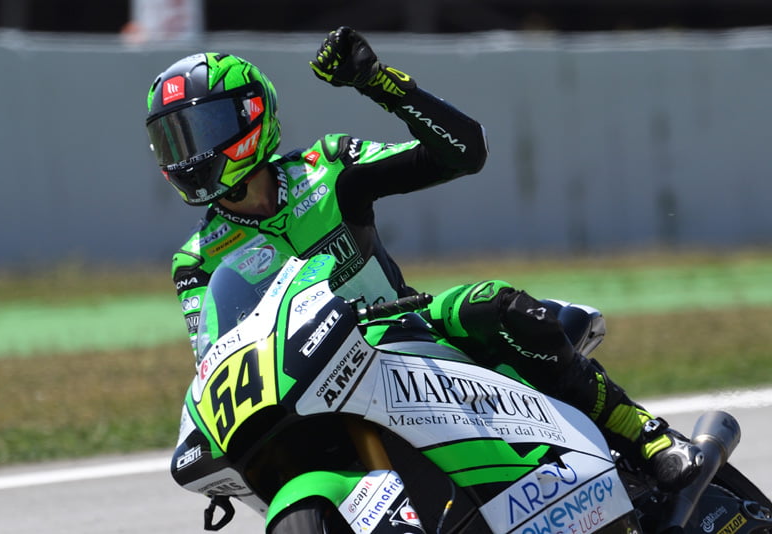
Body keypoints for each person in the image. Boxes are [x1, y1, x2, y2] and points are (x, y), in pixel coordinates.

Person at [145, 27, 701, 492]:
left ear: (251, 116)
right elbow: (214, 358)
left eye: (200, 132)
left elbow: (463, 153)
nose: (188, 156)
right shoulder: (196, 260)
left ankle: (647, 436)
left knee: (494, 305)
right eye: (173, 142)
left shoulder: (326, 167)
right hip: (307, 385)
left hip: (408, 336)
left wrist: (376, 81)